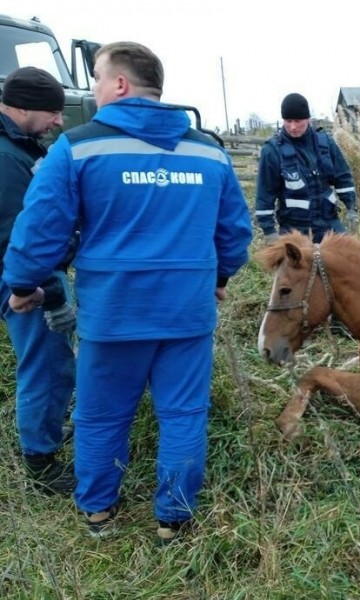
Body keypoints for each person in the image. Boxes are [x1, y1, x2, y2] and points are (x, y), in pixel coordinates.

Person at [2, 42, 252, 541]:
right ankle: (173, 519)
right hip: (186, 312)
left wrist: (23, 285)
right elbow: (234, 234)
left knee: (100, 414)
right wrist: (219, 278)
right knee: (183, 414)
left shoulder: (78, 147)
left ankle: (98, 511)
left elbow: (39, 231)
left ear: (119, 84)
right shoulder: (208, 150)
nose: (92, 89)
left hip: (114, 313)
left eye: (96, 78)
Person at [0, 66, 77, 496]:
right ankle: (40, 462)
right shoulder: (8, 159)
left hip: (24, 277)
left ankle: (45, 431)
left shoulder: (18, 147)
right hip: (21, 285)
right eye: (52, 111)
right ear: (23, 106)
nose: (58, 120)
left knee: (51, 361)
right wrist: (42, 291)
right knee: (46, 364)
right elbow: (16, 240)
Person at [256, 92, 358, 244]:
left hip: (329, 224)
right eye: (288, 121)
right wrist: (269, 231)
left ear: (308, 119)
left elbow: (343, 177)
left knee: (350, 260)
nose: (293, 126)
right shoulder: (272, 150)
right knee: (298, 267)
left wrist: (351, 208)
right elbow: (265, 193)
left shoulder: (326, 143)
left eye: (298, 121)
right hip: (294, 229)